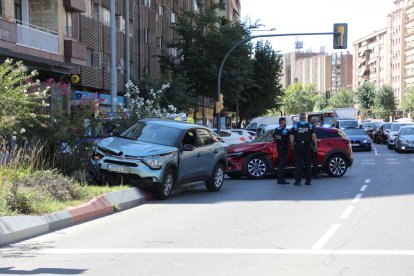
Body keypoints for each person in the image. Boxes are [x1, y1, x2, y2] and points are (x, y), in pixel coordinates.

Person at [290, 113, 318, 186]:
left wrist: (292, 143)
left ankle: (298, 181)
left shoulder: (295, 126)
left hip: (298, 147)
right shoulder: (310, 126)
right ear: (305, 118)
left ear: (299, 118)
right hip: (307, 147)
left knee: (298, 164)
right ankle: (308, 181)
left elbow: (291, 135)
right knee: (308, 164)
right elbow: (314, 136)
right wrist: (316, 146)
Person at [273, 117, 290, 184]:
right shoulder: (285, 130)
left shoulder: (276, 130)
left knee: (280, 164)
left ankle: (279, 178)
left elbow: (274, 137)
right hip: (284, 149)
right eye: (285, 121)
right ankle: (281, 179)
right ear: (282, 122)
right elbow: (289, 136)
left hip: (278, 148)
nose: (286, 122)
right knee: (283, 165)